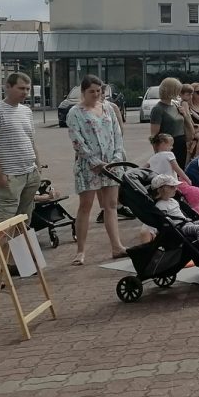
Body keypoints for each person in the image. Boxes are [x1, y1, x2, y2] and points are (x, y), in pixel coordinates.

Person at [0, 73, 43, 288]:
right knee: (0, 226)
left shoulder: (25, 111)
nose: (25, 92)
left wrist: (37, 167)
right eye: (21, 88)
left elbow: (31, 140)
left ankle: (13, 262)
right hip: (9, 176)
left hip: (29, 174)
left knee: (22, 222)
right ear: (7, 87)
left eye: (27, 89)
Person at [66, 75, 128, 265]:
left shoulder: (108, 108)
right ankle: (81, 250)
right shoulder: (75, 112)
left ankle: (116, 246)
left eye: (98, 91)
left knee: (110, 205)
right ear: (83, 92)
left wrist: (117, 158)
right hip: (89, 166)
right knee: (86, 206)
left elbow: (117, 134)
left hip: (111, 164)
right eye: (91, 91)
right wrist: (94, 161)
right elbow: (77, 141)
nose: (95, 95)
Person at [148, 174, 199, 266]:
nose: (175, 188)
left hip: (187, 222)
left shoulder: (173, 201)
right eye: (172, 187)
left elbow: (179, 213)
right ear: (161, 190)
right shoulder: (160, 205)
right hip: (178, 228)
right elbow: (160, 220)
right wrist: (154, 231)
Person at [149, 77, 194, 168]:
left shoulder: (176, 105)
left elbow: (186, 122)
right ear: (171, 90)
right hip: (167, 145)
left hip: (181, 144)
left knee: (180, 170)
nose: (179, 92)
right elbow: (154, 135)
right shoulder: (158, 109)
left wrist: (185, 115)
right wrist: (157, 154)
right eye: (177, 89)